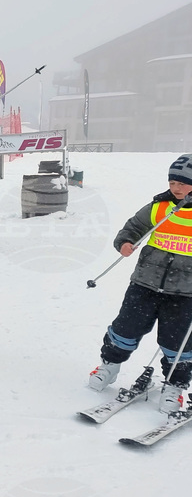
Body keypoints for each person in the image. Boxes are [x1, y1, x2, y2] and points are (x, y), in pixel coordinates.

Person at [88, 153, 192, 413]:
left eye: (182, 184)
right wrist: (124, 243)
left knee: (176, 342)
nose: (176, 188)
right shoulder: (160, 207)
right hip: (145, 284)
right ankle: (109, 367)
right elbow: (133, 227)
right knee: (125, 328)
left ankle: (175, 386)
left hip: (184, 293)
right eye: (172, 183)